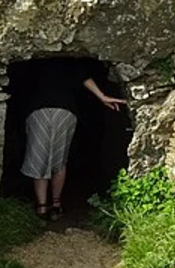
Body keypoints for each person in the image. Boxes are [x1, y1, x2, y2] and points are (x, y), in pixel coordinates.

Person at [20, 57, 125, 221]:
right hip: (66, 111)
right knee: (59, 162)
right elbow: (83, 76)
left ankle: (41, 208)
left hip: (38, 110)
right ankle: (56, 205)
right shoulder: (72, 61)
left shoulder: (33, 60)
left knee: (39, 158)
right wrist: (102, 96)